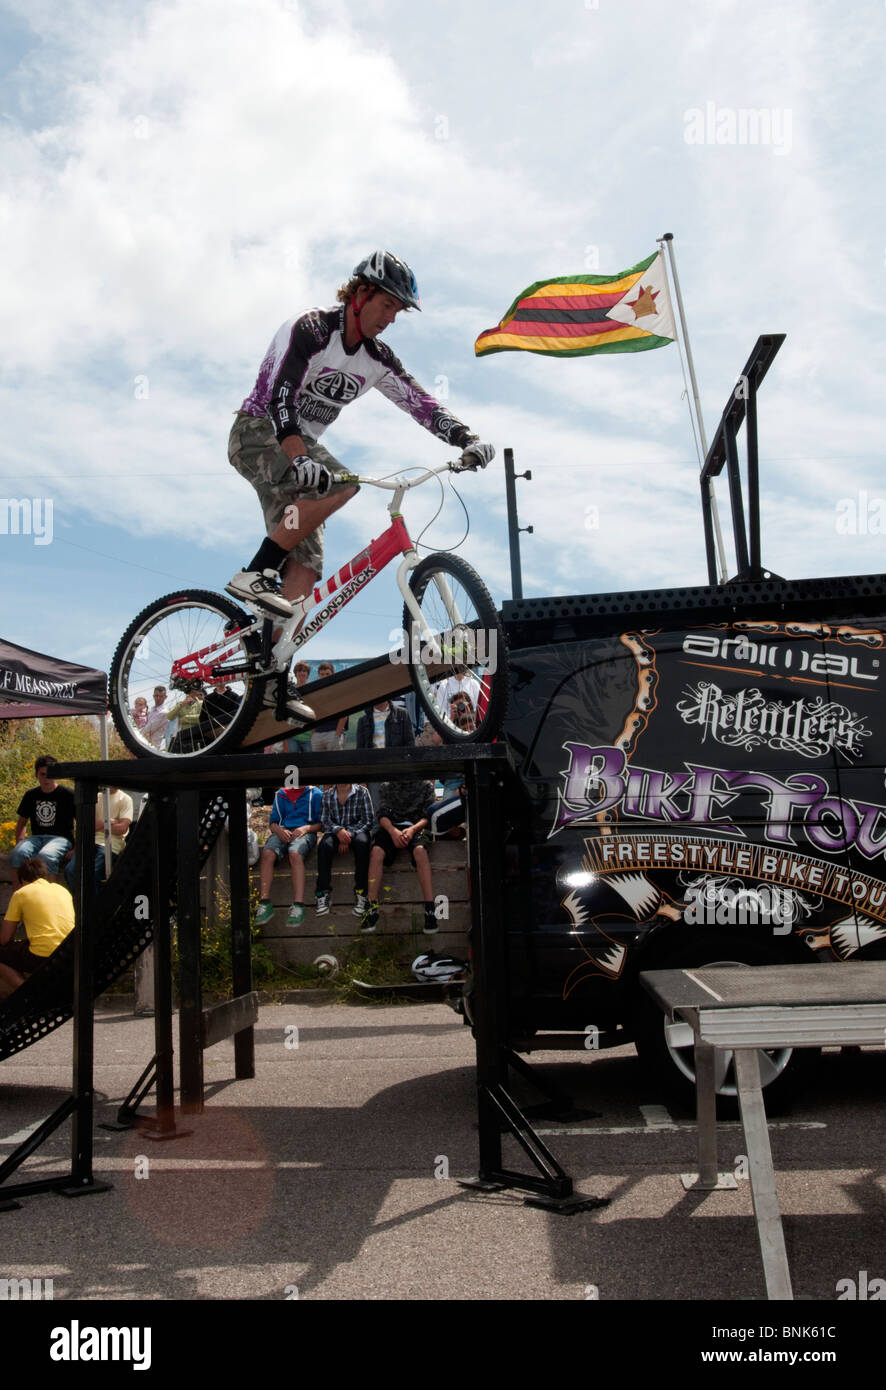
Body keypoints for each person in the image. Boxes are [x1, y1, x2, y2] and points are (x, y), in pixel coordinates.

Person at [224, 251, 494, 717]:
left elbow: (421, 403)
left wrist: (465, 438)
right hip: (258, 431)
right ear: (360, 294)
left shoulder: (377, 359)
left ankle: (271, 676)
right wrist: (298, 454)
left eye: (398, 311)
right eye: (387, 305)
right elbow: (280, 394)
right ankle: (255, 572)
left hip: (300, 450)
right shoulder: (310, 330)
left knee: (307, 570)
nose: (391, 318)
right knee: (343, 486)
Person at [360, 777, 437, 936]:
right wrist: (393, 831)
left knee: (420, 851)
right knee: (376, 852)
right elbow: (381, 814)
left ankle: (430, 909)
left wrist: (412, 830)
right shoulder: (386, 785)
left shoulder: (425, 786)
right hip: (391, 828)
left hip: (416, 827)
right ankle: (371, 907)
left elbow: (428, 814)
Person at [0, 857, 75, 995]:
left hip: (43, 955)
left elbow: (5, 938)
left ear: (22, 880)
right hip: (70, 953)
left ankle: (30, 994)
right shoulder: (62, 890)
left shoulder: (22, 893)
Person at [254, 783, 323, 928]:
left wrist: (306, 828)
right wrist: (279, 830)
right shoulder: (281, 794)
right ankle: (264, 902)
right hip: (283, 831)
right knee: (267, 853)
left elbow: (322, 823)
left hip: (305, 832)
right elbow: (273, 823)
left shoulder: (316, 794)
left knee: (295, 853)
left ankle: (298, 904)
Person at [10, 756, 76, 889]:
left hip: (61, 839)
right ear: (36, 775)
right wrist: (20, 842)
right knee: (17, 853)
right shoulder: (30, 795)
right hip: (37, 838)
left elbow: (84, 823)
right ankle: (19, 898)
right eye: (43, 774)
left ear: (57, 774)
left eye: (50, 774)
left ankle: (49, 899)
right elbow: (21, 822)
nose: (46, 778)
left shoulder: (68, 794)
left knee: (46, 855)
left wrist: (76, 849)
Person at [314, 782, 375, 916]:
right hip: (336, 832)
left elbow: (368, 820)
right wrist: (339, 831)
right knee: (325, 846)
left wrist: (348, 835)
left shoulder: (362, 792)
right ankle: (323, 893)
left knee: (363, 844)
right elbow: (324, 821)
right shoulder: (327, 795)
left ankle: (361, 893)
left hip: (357, 831)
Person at [65, 787, 133, 893]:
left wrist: (99, 825)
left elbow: (122, 829)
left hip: (112, 844)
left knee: (93, 873)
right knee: (70, 870)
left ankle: (93, 905)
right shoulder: (96, 798)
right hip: (90, 840)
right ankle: (78, 902)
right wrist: (109, 821)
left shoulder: (125, 799)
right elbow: (86, 825)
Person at [310, 662, 348, 751]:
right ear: (318, 675)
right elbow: (313, 716)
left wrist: (337, 735)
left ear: (332, 674)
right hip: (317, 734)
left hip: (333, 732)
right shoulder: (315, 693)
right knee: (317, 764)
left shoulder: (339, 691)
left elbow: (344, 715)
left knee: (335, 763)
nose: (324, 676)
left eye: (327, 674)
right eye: (322, 674)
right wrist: (313, 734)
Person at [142, 685, 169, 749]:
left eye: (161, 696)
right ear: (153, 696)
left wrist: (134, 731)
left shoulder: (164, 712)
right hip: (144, 743)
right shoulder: (152, 710)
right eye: (156, 696)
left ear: (165, 697)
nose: (158, 698)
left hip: (153, 746)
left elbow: (147, 729)